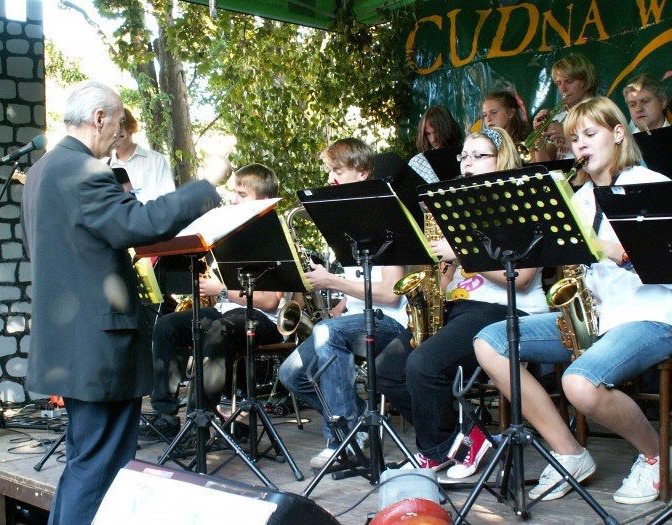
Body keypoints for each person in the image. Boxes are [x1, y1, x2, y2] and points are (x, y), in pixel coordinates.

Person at [20, 80, 228, 525]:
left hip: (68, 343)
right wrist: (206, 183)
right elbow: (140, 223)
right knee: (101, 470)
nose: (120, 134)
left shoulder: (40, 172)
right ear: (99, 118)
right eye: (117, 122)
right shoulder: (85, 171)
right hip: (98, 344)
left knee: (84, 461)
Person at [475, 96, 672, 504]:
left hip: (653, 315)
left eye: (590, 134)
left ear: (618, 134)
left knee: (578, 383)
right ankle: (569, 452)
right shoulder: (578, 199)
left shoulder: (653, 185)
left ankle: (657, 456)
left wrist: (604, 247)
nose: (580, 144)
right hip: (597, 317)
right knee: (491, 342)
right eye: (574, 138)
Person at [376, 127, 549, 478]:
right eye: (464, 156)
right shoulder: (454, 211)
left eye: (478, 156)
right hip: (460, 306)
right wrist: (438, 279)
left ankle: (450, 446)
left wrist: (462, 253)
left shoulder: (520, 204)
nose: (467, 163)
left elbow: (522, 277)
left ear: (502, 159)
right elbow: (446, 280)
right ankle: (453, 443)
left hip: (506, 308)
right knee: (386, 369)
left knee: (422, 364)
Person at [278, 137, 409, 468]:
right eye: (329, 171)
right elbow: (359, 282)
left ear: (362, 172)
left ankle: (343, 439)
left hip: (390, 321)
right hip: (356, 318)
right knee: (291, 375)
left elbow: (391, 292)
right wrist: (338, 307)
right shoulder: (344, 219)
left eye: (337, 171)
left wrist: (332, 281)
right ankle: (359, 419)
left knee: (328, 334)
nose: (330, 178)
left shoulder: (386, 214)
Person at [140, 163, 283, 441]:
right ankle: (165, 416)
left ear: (263, 199)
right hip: (225, 313)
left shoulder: (272, 237)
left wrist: (222, 290)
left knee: (218, 331)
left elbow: (269, 302)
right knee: (167, 326)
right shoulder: (229, 233)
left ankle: (200, 421)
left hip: (262, 320)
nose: (234, 200)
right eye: (234, 193)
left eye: (242, 194)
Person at [531, 53, 598, 162]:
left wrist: (566, 133)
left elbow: (601, 155)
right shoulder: (559, 118)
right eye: (559, 83)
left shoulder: (600, 112)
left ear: (585, 82)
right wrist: (538, 136)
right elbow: (546, 165)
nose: (563, 88)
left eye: (569, 81)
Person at [110, 107, 175, 202]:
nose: (115, 139)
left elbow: (167, 199)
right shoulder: (106, 167)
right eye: (110, 135)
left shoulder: (156, 160)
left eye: (120, 134)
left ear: (130, 129)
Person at [408, 105, 464, 183]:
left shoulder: (467, 155)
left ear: (447, 129)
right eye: (428, 134)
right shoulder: (418, 162)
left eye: (437, 132)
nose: (433, 139)